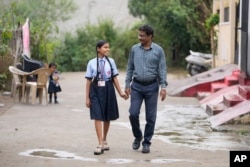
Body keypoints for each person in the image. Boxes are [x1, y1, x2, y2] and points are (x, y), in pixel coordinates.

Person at [125, 24, 167, 153]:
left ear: (150, 36)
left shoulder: (158, 51)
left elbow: (162, 69)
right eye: (139, 35)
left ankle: (147, 142)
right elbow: (130, 67)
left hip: (152, 87)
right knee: (133, 113)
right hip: (136, 86)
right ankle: (138, 136)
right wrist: (127, 84)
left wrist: (163, 86)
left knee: (151, 117)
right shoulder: (134, 49)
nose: (139, 38)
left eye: (142, 36)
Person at [85, 40, 128, 155]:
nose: (108, 49)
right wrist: (87, 98)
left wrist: (121, 93)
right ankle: (100, 144)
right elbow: (88, 81)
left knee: (107, 116)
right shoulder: (91, 63)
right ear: (98, 49)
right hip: (95, 89)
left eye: (108, 47)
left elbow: (114, 78)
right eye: (105, 47)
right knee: (97, 115)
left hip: (108, 88)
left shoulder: (111, 61)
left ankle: (104, 139)